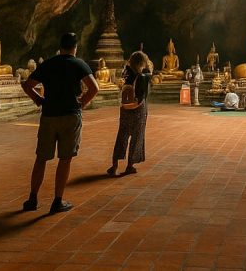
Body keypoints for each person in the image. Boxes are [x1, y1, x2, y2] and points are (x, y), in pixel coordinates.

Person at [21, 33, 98, 214]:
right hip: (70, 116)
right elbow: (94, 88)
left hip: (49, 115)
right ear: (75, 47)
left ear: (60, 46)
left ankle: (32, 198)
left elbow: (27, 84)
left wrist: (39, 100)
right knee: (65, 159)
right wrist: (82, 101)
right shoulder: (79, 64)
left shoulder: (48, 64)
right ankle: (57, 200)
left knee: (41, 158)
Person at [108, 51, 152, 176]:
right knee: (136, 137)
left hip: (125, 108)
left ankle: (114, 165)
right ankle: (130, 165)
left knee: (122, 135)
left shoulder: (125, 73)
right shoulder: (143, 76)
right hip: (138, 108)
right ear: (142, 62)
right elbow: (143, 93)